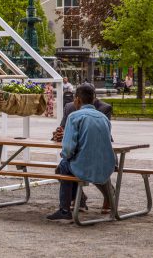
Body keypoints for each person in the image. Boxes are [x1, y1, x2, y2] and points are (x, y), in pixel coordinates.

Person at [47, 85, 116, 221]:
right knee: (66, 165)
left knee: (63, 166)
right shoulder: (103, 118)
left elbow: (67, 149)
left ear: (77, 100)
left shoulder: (74, 116)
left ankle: (65, 209)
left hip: (83, 165)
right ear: (93, 99)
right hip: (106, 164)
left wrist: (65, 156)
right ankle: (78, 201)